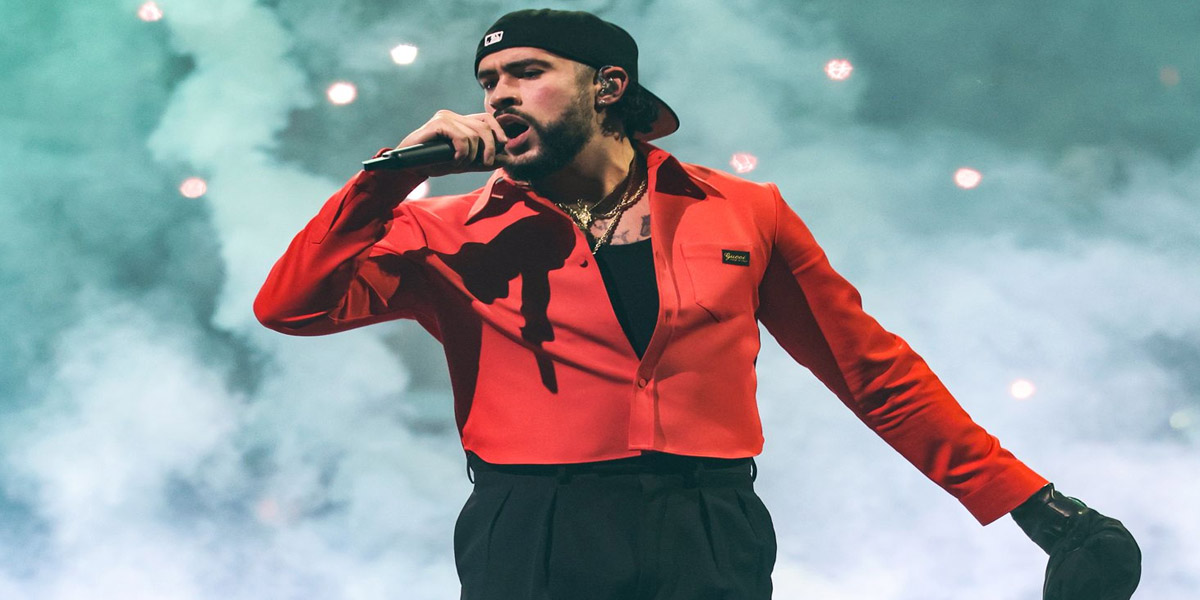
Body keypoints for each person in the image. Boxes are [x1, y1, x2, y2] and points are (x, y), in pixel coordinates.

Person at [254, 8, 1141, 600]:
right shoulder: (441, 229)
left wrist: (1032, 504)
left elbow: (871, 372)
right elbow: (289, 307)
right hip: (532, 530)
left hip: (708, 527)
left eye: (526, 72)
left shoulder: (744, 211)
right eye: (489, 83)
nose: (499, 96)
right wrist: (384, 180)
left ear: (608, 87)